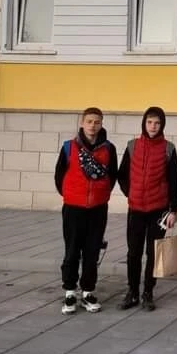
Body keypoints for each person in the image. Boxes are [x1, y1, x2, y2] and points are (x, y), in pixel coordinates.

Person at [54, 107, 118, 315]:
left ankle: (88, 291)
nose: (93, 125)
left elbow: (112, 176)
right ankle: (70, 292)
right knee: (72, 250)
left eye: (97, 122)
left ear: (101, 124)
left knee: (92, 251)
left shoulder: (109, 149)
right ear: (82, 123)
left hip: (97, 209)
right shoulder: (69, 147)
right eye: (89, 121)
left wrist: (101, 195)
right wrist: (71, 195)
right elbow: (59, 175)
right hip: (73, 208)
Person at [117, 107, 177, 312]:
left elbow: (174, 181)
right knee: (133, 252)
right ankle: (132, 292)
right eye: (150, 122)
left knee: (153, 253)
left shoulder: (168, 149)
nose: (153, 126)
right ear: (144, 124)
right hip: (136, 209)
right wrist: (131, 193)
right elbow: (122, 174)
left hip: (158, 210)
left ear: (162, 125)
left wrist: (172, 210)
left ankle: (148, 293)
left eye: (157, 123)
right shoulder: (132, 146)